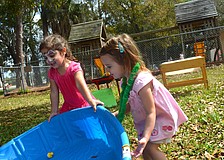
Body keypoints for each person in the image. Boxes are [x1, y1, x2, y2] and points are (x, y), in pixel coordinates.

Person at [99, 33, 188, 160]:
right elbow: (132, 103)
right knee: (145, 151)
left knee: (151, 147)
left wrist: (146, 137)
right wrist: (117, 113)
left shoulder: (141, 81)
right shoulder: (126, 80)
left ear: (124, 61)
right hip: (146, 121)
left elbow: (151, 112)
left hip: (158, 118)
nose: (107, 71)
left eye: (109, 66)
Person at [39, 34, 103, 122]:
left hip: (84, 103)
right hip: (69, 105)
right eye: (45, 57)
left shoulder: (74, 68)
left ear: (63, 51)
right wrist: (54, 111)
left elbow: (80, 85)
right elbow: (54, 92)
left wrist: (91, 100)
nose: (49, 60)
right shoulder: (52, 72)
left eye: (52, 55)